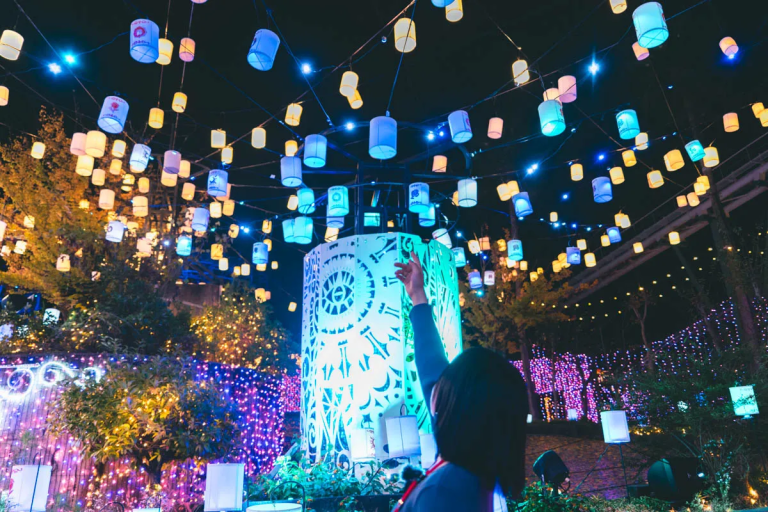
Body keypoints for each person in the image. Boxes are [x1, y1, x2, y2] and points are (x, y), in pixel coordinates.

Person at [393, 251, 528, 511]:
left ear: (458, 408)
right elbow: (431, 365)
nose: (435, 387)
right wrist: (418, 296)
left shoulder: (445, 490)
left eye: (446, 385)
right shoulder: (470, 469)